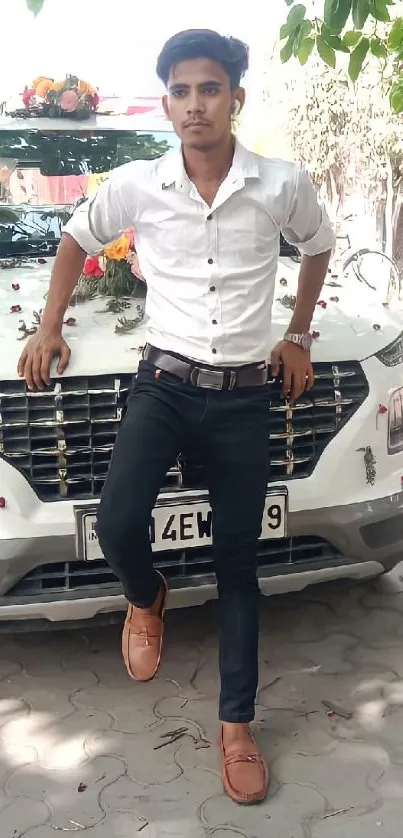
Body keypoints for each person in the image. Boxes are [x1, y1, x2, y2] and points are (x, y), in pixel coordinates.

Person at [17, 29, 334, 804]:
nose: (196, 103)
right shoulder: (137, 183)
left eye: (210, 88)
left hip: (243, 397)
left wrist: (295, 334)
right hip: (162, 383)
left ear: (236, 97)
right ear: (167, 103)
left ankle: (235, 727)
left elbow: (319, 247)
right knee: (121, 519)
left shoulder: (279, 183)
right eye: (183, 91)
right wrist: (50, 324)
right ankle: (145, 592)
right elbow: (73, 240)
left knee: (237, 566)